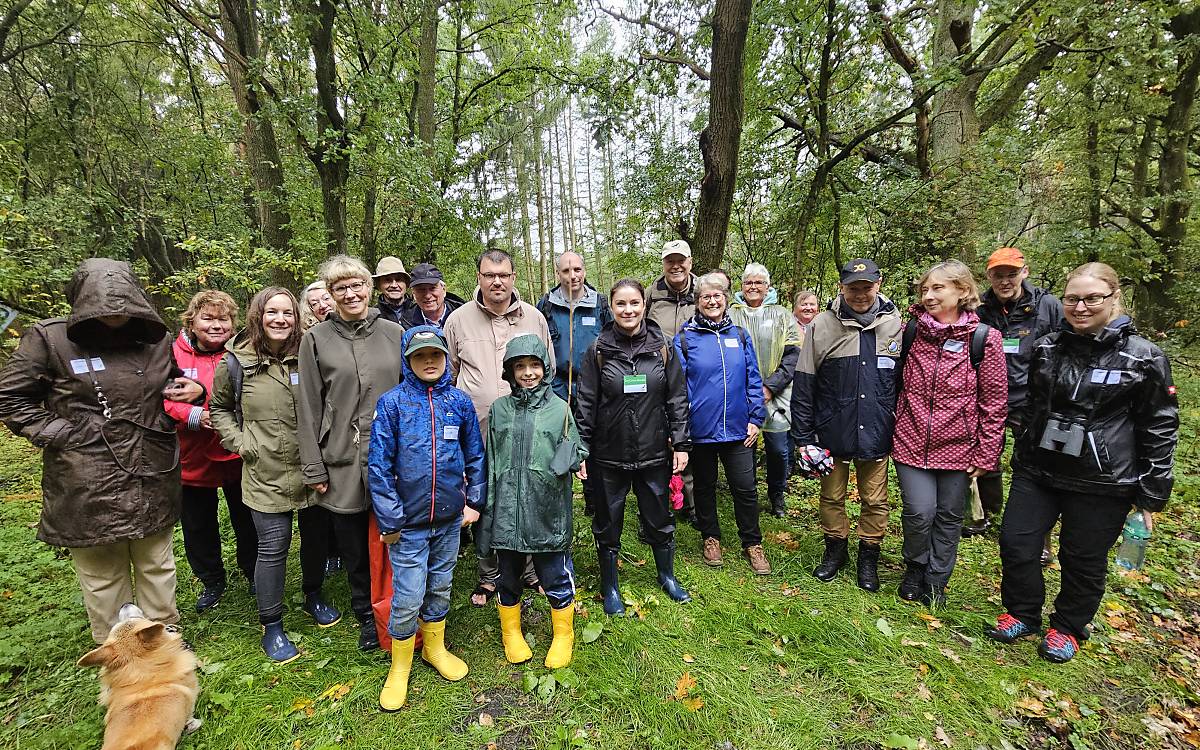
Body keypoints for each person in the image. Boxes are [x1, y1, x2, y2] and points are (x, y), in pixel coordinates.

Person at [0, 258, 204, 644]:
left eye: (123, 303)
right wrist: (64, 432)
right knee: (102, 567)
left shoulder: (155, 338)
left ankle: (163, 633)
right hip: (85, 470)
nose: (114, 313)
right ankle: (119, 645)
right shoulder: (50, 338)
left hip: (151, 464)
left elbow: (171, 384)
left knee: (156, 560)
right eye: (104, 306)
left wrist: (195, 391)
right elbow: (11, 398)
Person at [985, 262, 1178, 663]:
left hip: (1104, 478)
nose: (1081, 306)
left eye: (1092, 298)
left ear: (1113, 299)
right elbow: (1034, 403)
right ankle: (1022, 612)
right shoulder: (1047, 347)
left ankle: (1069, 626)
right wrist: (1023, 444)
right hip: (1039, 468)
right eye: (1073, 298)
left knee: (1083, 556)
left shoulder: (1143, 357)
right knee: (1017, 543)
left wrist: (1150, 495)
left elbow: (1159, 425)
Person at [368, 325, 485, 711]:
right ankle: (398, 667)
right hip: (408, 524)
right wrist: (391, 520)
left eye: (435, 355)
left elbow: (475, 457)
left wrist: (474, 502)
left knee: (439, 585)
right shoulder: (392, 404)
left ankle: (435, 648)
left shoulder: (460, 403)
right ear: (408, 360)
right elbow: (379, 467)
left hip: (450, 519)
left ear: (446, 358)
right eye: (420, 356)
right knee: (408, 594)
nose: (429, 362)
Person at [297, 254, 406, 650]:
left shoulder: (394, 333)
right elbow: (307, 404)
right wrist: (314, 466)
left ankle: (401, 605)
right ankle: (365, 612)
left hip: (393, 454)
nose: (350, 293)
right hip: (341, 454)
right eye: (340, 287)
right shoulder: (315, 340)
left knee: (394, 533)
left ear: (369, 286)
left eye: (357, 284)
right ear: (330, 294)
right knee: (353, 540)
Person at [210, 287, 324, 663]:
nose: (280, 319)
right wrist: (241, 443)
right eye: (271, 312)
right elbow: (220, 408)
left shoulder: (308, 352)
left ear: (297, 316)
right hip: (265, 468)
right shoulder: (234, 362)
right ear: (257, 316)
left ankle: (313, 595)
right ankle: (271, 625)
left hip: (310, 464)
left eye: (287, 312)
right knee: (273, 547)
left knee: (315, 539)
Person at [892, 261, 1008, 607]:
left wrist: (987, 453)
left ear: (962, 291)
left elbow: (994, 400)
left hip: (959, 447)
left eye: (937, 288)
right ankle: (915, 566)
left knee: (948, 516)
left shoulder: (984, 339)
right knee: (919, 511)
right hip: (911, 440)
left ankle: (936, 580)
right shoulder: (911, 333)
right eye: (925, 289)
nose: (928, 296)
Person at [443, 248, 554, 607]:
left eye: (503, 275)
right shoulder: (458, 320)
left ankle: (533, 571)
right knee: (485, 502)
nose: (496, 281)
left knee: (529, 497)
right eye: (489, 275)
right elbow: (450, 373)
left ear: (513, 277)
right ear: (479, 277)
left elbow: (546, 371)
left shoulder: (534, 318)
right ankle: (489, 575)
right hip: (475, 433)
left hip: (527, 432)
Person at [576, 279, 691, 615]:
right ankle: (609, 585)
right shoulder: (597, 349)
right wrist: (581, 448)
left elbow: (677, 397)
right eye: (620, 304)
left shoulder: (663, 347)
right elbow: (585, 402)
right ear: (611, 308)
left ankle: (666, 575)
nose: (628, 310)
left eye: (634, 303)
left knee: (658, 516)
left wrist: (681, 443)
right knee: (608, 520)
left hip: (654, 451)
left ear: (644, 305)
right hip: (607, 454)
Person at [790, 258, 902, 592]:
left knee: (875, 499)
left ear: (878, 284)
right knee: (832, 495)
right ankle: (834, 551)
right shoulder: (822, 325)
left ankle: (868, 557)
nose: (860, 294)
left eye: (866, 287)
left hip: (878, 427)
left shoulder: (894, 323)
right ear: (842, 288)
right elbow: (805, 381)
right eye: (853, 288)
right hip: (832, 428)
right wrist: (803, 436)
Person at [476, 334, 585, 668]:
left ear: (545, 368)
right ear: (509, 371)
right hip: (508, 509)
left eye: (534, 365)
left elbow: (576, 449)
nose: (527, 373)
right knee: (507, 577)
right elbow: (490, 458)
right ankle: (512, 632)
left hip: (547, 508)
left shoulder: (560, 409)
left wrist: (572, 457)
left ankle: (563, 633)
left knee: (553, 574)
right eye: (519, 366)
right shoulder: (499, 410)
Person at [165, 290, 258, 613]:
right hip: (193, 456)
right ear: (192, 321)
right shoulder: (173, 355)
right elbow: (162, 397)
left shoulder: (242, 352)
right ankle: (212, 580)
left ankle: (254, 573)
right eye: (208, 318)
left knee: (247, 519)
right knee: (198, 524)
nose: (216, 326)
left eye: (224, 319)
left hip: (237, 454)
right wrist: (193, 415)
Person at [676, 273, 770, 575]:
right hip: (702, 430)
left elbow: (753, 378)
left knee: (745, 488)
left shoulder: (740, 336)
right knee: (704, 487)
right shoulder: (685, 339)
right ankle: (711, 537)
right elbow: (679, 387)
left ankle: (752, 543)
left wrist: (756, 418)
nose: (712, 300)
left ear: (726, 299)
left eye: (717, 295)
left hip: (739, 430)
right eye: (706, 297)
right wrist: (683, 427)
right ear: (698, 302)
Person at [973, 248, 1065, 554]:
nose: (1005, 281)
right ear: (989, 277)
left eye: (1011, 274)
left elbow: (1065, 346)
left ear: (1024, 272)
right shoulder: (980, 308)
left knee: (1034, 466)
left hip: (1033, 400)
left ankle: (1040, 538)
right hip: (986, 398)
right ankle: (983, 514)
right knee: (984, 459)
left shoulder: (1047, 305)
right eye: (998, 275)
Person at [536, 251, 612, 516]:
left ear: (585, 271)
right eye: (567, 271)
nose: (573, 276)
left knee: (594, 439)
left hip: (594, 385)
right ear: (558, 274)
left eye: (577, 270)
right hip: (557, 385)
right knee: (558, 440)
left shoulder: (600, 304)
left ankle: (594, 498)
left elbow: (613, 341)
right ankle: (558, 496)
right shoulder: (546, 304)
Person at [730, 263, 802, 517]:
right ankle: (747, 494)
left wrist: (771, 386)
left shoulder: (782, 315)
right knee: (744, 445)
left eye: (758, 282)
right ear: (741, 287)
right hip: (740, 393)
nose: (753, 287)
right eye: (748, 282)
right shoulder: (731, 315)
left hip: (777, 393)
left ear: (767, 286)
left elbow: (793, 354)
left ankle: (777, 494)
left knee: (779, 449)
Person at [645, 239, 699, 524]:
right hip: (660, 376)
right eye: (670, 261)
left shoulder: (703, 291)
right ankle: (662, 501)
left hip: (697, 378)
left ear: (690, 262)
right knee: (663, 438)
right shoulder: (651, 294)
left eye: (681, 260)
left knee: (689, 438)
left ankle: (692, 504)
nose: (676, 266)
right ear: (664, 264)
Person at [400, 263, 466, 329]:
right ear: (414, 294)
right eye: (421, 289)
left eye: (433, 288)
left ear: (444, 290)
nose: (428, 296)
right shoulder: (405, 324)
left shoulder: (462, 316)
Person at [373, 256, 412, 325]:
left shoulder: (419, 311)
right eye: (387, 280)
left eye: (398, 279)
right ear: (379, 285)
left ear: (406, 284)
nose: (394, 285)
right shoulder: (373, 316)